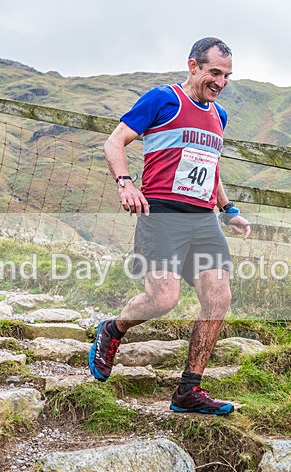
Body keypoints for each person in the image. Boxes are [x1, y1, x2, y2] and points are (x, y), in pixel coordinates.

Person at [89, 37, 251, 415]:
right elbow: (114, 143)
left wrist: (228, 210)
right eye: (214, 73)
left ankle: (188, 391)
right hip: (161, 213)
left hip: (203, 218)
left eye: (227, 76)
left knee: (218, 297)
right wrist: (125, 183)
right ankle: (114, 329)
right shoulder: (163, 100)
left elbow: (210, 165)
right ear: (193, 66)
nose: (220, 82)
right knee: (164, 299)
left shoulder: (219, 116)